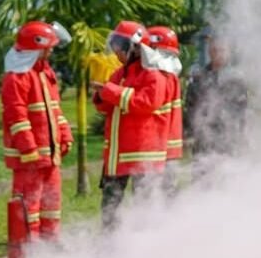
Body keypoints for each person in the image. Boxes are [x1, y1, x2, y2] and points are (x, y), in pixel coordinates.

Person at [91, 21, 170, 231]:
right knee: (110, 206)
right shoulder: (121, 74)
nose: (116, 50)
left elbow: (145, 103)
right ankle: (109, 247)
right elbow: (109, 106)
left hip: (142, 156)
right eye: (115, 43)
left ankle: (142, 250)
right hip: (117, 156)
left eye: (120, 44)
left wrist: (109, 92)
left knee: (142, 207)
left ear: (136, 47)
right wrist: (100, 96)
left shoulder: (153, 74)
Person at [1, 21, 73, 244]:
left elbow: (55, 110)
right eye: (47, 47)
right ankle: (28, 247)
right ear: (36, 48)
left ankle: (50, 243)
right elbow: (17, 117)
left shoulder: (45, 73)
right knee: (28, 203)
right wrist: (29, 148)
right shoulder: (17, 78)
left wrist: (65, 135)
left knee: (51, 202)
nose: (51, 51)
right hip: (29, 158)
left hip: (50, 156)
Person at [184, 29, 249, 166]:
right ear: (209, 51)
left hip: (227, 139)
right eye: (214, 49)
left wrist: (238, 136)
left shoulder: (236, 80)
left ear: (228, 52)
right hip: (203, 139)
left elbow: (241, 110)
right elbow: (190, 106)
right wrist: (190, 132)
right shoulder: (199, 78)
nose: (217, 53)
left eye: (221, 49)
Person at [146, 25, 184, 196]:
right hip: (168, 148)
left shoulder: (161, 78)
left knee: (154, 195)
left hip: (160, 148)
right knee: (165, 195)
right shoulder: (171, 76)